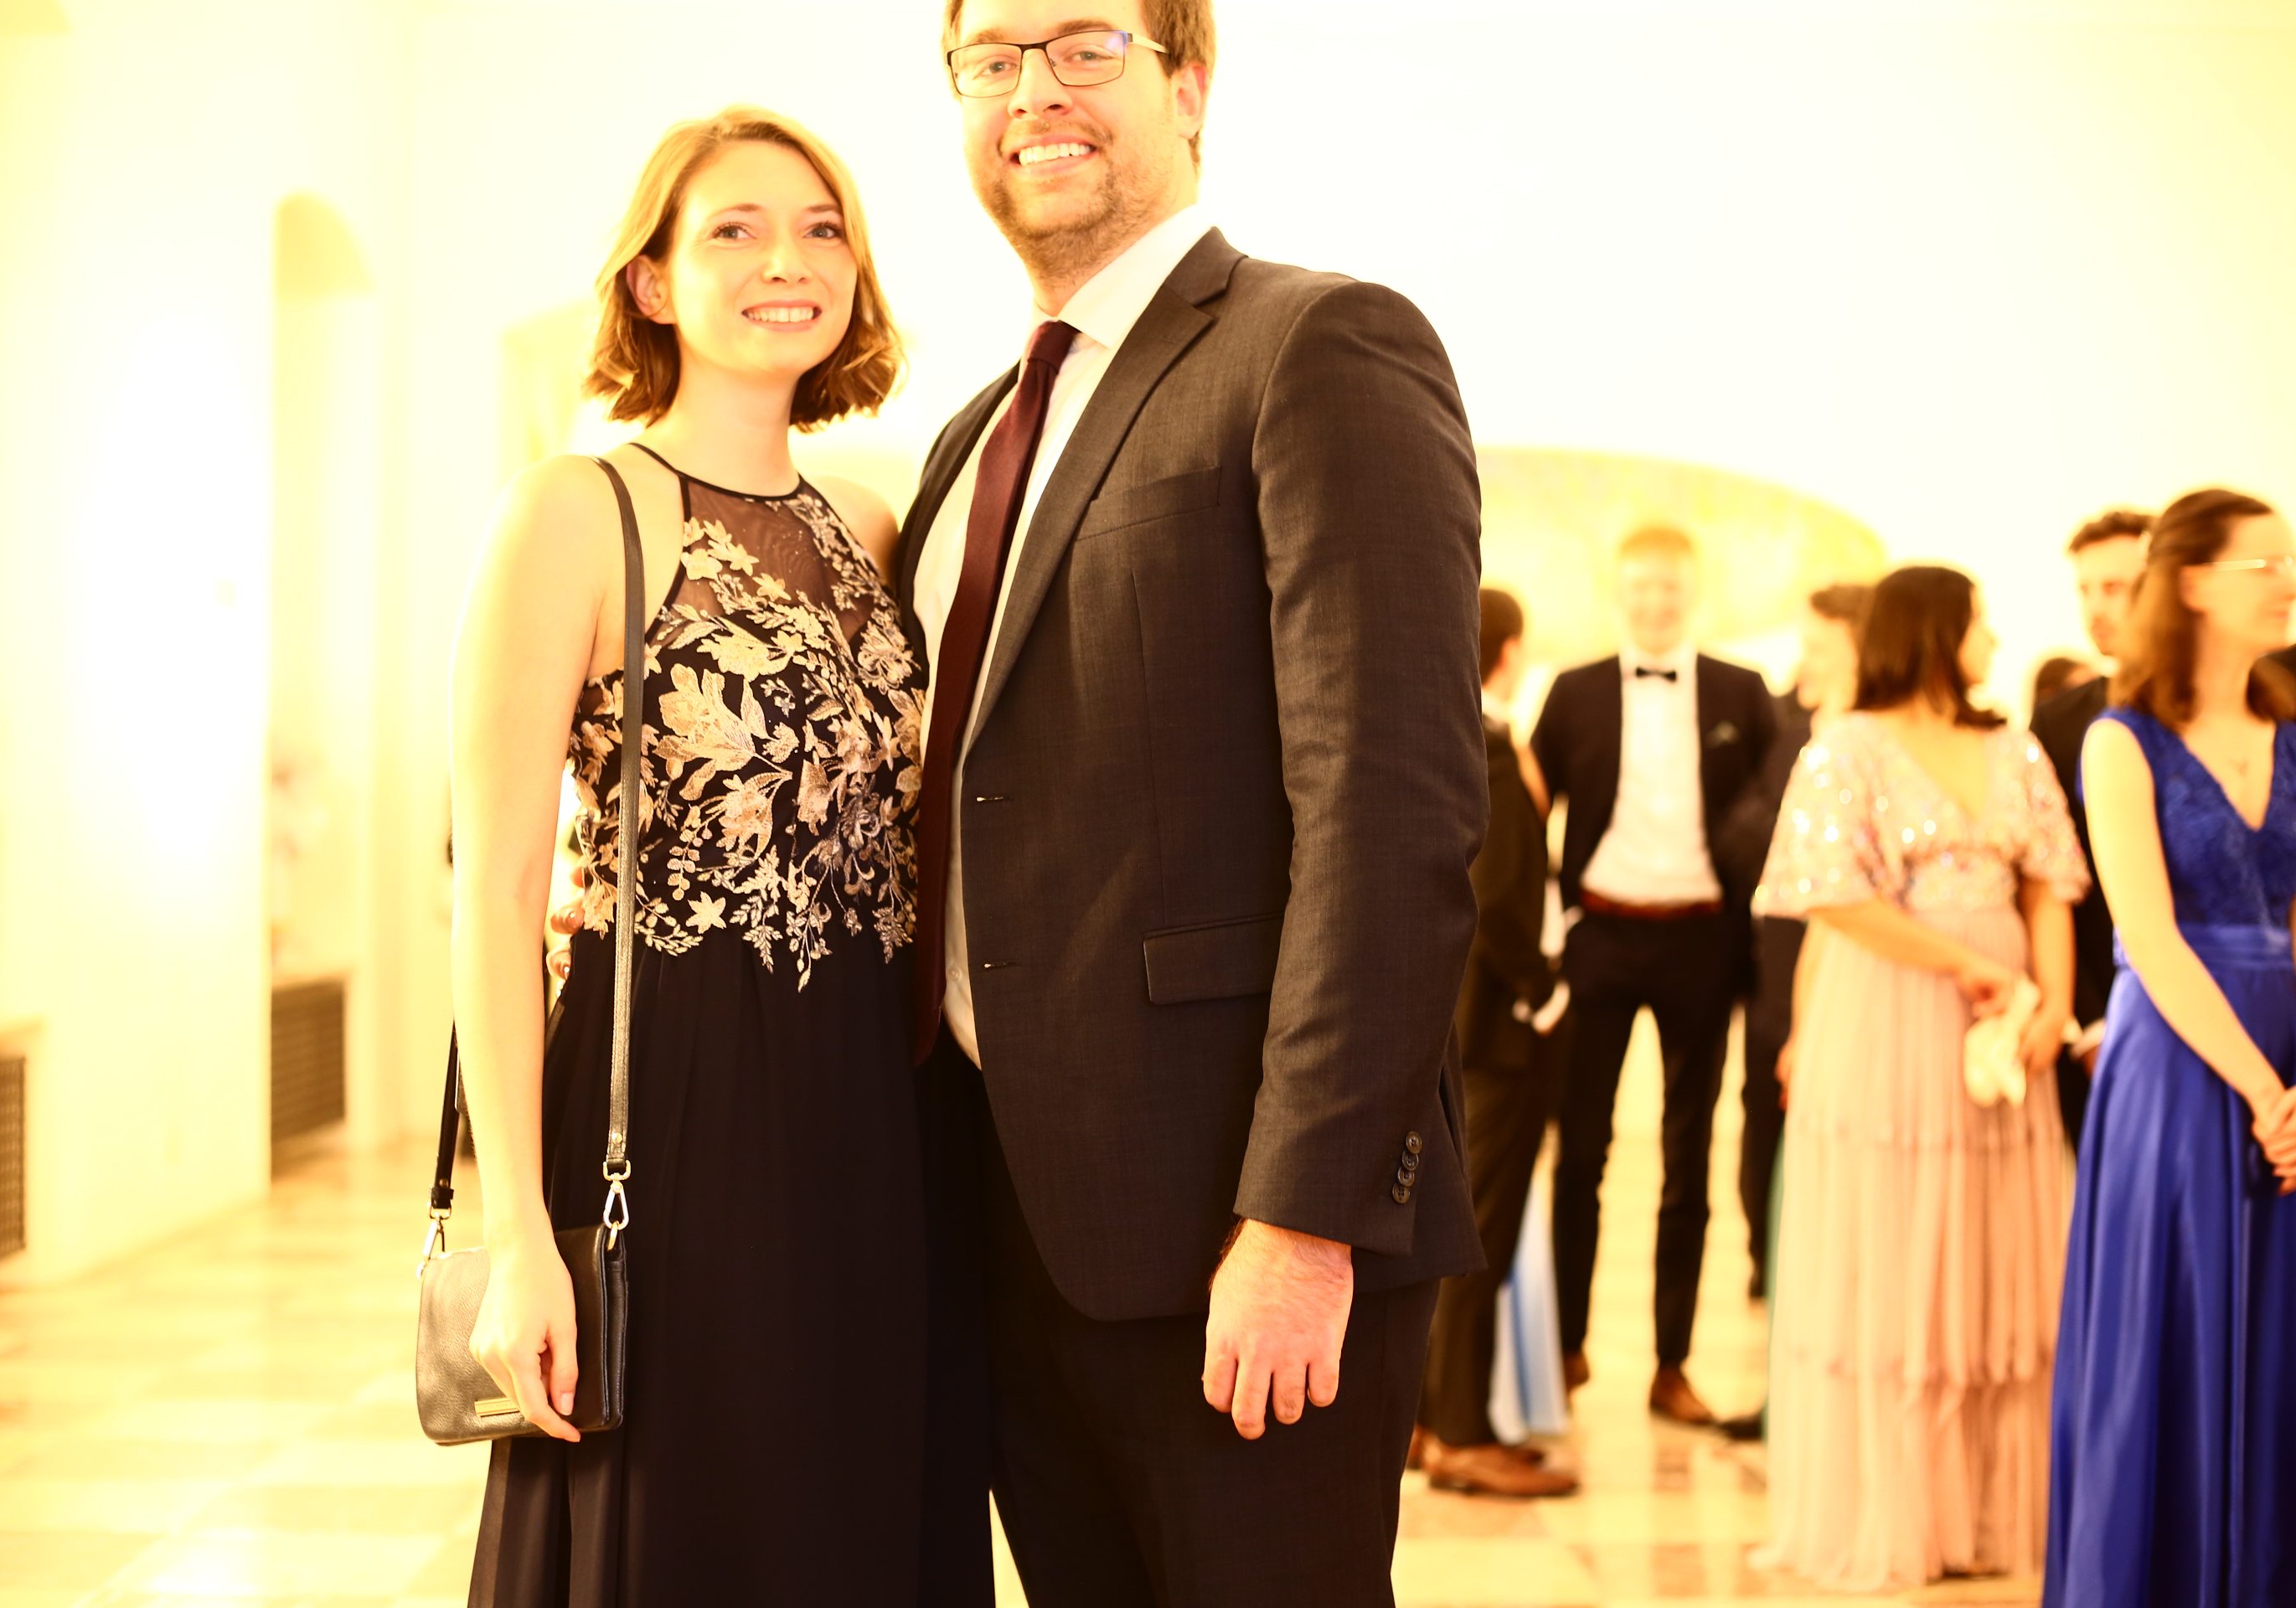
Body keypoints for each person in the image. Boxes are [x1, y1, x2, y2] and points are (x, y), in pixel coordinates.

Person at [900, 2, 1487, 1601]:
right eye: (992, 60)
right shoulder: (970, 439)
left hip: (1235, 1232)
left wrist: (1303, 1219)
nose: (1035, 91)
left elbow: (1391, 814)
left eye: (1087, 45)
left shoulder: (1317, 344)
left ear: (1193, 83)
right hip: (1008, 1228)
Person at [447, 111, 984, 1605]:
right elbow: (495, 894)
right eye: (733, 231)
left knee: (855, 1510)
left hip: (878, 1103)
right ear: (653, 283)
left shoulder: (871, 523)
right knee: (697, 1522)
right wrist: (517, 1234)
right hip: (672, 1098)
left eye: (820, 229)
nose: (785, 261)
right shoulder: (574, 510)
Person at [1752, 564, 2087, 1591]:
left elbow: (2051, 885)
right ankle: (1897, 1514)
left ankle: (1985, 1512)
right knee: (1896, 1255)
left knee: (1992, 1253)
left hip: (2002, 1027)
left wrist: (2051, 1003)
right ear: (1936, 632)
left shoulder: (2013, 745)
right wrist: (1963, 965)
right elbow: (1832, 899)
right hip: (1889, 1015)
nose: (1993, 641)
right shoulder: (1845, 747)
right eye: (1979, 624)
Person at [2046, 488, 2296, 1606]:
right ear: (2193, 583)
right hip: (2181, 1057)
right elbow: (2146, 937)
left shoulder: (2292, 731)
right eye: (2265, 565)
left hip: (2288, 1053)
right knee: (2177, 1330)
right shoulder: (2120, 740)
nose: (2289, 584)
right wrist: (2266, 1092)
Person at [1530, 525, 1777, 1426]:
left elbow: (1773, 808)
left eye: (1671, 587)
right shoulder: (1574, 690)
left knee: (1688, 1158)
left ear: (1694, 592)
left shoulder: (1745, 692)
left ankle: (1672, 1366)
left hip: (1704, 943)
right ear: (1618, 592)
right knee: (1580, 1156)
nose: (1656, 603)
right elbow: (1524, 810)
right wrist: (1547, 930)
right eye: (1641, 587)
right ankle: (1564, 1352)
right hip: (1600, 938)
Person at [1412, 588, 1581, 1499]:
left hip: (1440, 1020)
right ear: (1510, 653)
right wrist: (1546, 994)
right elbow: (1506, 895)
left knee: (1442, 1222)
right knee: (1480, 1232)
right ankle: (1463, 1432)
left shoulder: (1420, 730)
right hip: (1500, 1032)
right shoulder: (1492, 742)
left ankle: (1424, 1419)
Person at [1712, 581, 1870, 1320]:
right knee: (1767, 1108)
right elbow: (1740, 834)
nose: (1801, 662)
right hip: (1781, 957)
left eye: (1817, 647)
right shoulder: (1782, 725)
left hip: (1865, 956)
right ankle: (1771, 1260)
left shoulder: (1889, 736)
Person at [2030, 508, 2153, 1148]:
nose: (2095, 609)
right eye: (2085, 590)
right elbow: (2049, 885)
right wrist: (2089, 1021)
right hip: (2105, 1009)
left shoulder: (2245, 705)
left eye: (2114, 588)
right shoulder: (2058, 723)